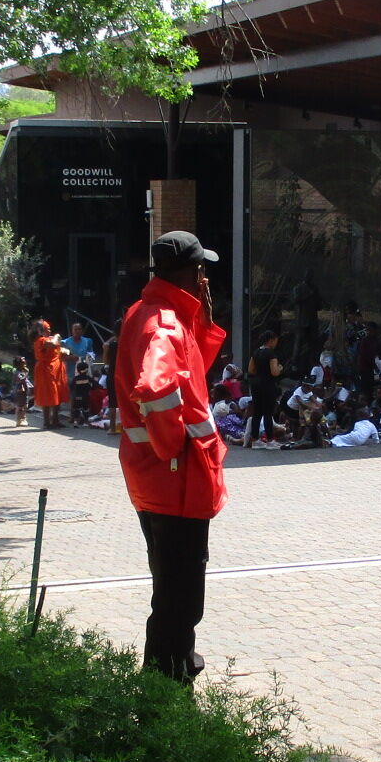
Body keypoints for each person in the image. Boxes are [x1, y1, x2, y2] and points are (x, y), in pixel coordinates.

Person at [115, 231, 229, 684]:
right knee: (179, 602)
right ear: (193, 272)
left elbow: (174, 379)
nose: (205, 278)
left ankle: (170, 684)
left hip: (159, 480)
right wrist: (174, 450)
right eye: (202, 269)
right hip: (176, 481)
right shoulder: (164, 324)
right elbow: (157, 387)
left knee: (172, 593)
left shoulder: (146, 313)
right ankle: (165, 695)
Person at [31, 319, 71, 428]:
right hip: (46, 370)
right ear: (40, 330)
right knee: (47, 395)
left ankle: (55, 420)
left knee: (58, 394)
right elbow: (53, 344)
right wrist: (57, 336)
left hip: (56, 369)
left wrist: (63, 352)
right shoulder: (41, 340)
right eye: (47, 329)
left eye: (49, 329)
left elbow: (56, 350)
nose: (49, 331)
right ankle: (46, 422)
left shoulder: (48, 339)